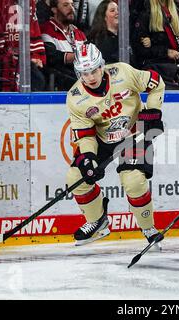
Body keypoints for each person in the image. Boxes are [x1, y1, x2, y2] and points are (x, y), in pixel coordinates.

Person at [65, 42, 166, 246]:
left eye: (94, 70)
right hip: (102, 138)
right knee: (76, 177)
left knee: (134, 181)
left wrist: (153, 112)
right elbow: (85, 134)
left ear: (102, 65)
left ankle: (148, 226)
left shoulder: (123, 72)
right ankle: (97, 221)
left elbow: (157, 83)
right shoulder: (75, 98)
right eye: (84, 73)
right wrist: (89, 158)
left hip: (134, 133)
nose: (91, 77)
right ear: (78, 73)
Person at [40, 0, 87, 91]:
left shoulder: (79, 33)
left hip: (84, 81)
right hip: (61, 88)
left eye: (72, 5)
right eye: (66, 5)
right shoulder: (46, 29)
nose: (71, 8)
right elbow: (52, 58)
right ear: (54, 10)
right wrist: (78, 55)